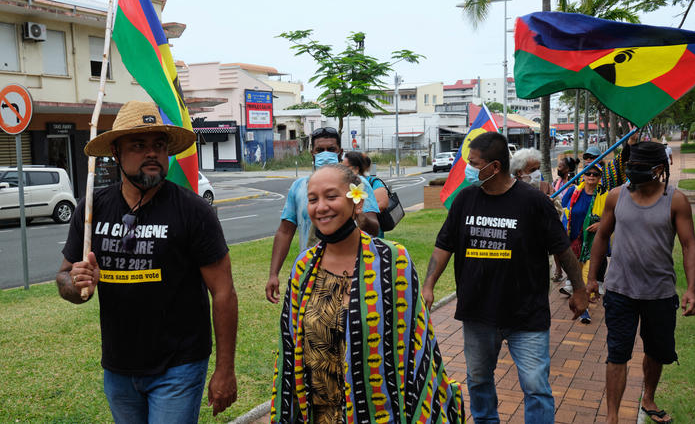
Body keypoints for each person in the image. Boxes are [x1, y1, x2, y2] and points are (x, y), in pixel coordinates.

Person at [56, 101, 238, 422]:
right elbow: (65, 279)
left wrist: (225, 370)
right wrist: (77, 283)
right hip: (118, 367)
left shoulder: (194, 211)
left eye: (159, 145)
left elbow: (223, 292)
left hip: (179, 365)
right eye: (139, 145)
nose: (152, 153)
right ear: (116, 152)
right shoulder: (91, 209)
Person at [270, 164, 464, 423]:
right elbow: (290, 344)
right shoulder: (304, 266)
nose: (321, 207)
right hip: (320, 414)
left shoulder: (393, 260)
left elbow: (416, 346)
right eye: (313, 199)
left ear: (356, 202)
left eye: (331, 196)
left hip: (382, 413)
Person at [422, 132, 588, 423]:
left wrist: (580, 290)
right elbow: (444, 245)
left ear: (495, 167)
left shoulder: (534, 202)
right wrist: (428, 285)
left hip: (526, 315)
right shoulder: (465, 200)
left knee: (536, 388)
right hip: (478, 313)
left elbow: (562, 249)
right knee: (478, 380)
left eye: (474, 163)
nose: (468, 169)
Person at [586, 142, 695, 424]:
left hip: (659, 293)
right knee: (617, 352)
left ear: (659, 169)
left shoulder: (676, 200)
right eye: (629, 165)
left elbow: (688, 245)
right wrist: (591, 278)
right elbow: (601, 236)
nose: (631, 170)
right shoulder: (615, 196)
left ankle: (648, 397)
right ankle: (612, 416)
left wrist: (692, 288)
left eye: (638, 166)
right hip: (620, 290)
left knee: (656, 351)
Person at [265, 128, 380, 303]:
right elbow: (285, 232)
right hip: (311, 271)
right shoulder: (299, 187)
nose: (325, 154)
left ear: (340, 152)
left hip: (355, 271)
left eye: (331, 149)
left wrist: (357, 213)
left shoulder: (358, 184)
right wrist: (273, 274)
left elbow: (374, 227)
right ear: (312, 153)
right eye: (320, 150)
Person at [559, 163, 609, 323]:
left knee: (587, 275)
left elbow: (613, 216)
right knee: (576, 277)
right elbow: (561, 209)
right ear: (583, 176)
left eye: (595, 174)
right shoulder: (574, 192)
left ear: (600, 177)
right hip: (574, 242)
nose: (592, 176)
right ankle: (581, 301)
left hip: (593, 243)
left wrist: (601, 224)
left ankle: (584, 309)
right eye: (588, 173)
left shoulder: (605, 195)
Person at [344, 152, 389, 237]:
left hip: (368, 233)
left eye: (345, 167)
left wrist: (357, 211)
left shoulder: (364, 182)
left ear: (356, 169)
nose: (343, 170)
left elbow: (382, 204)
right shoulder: (350, 182)